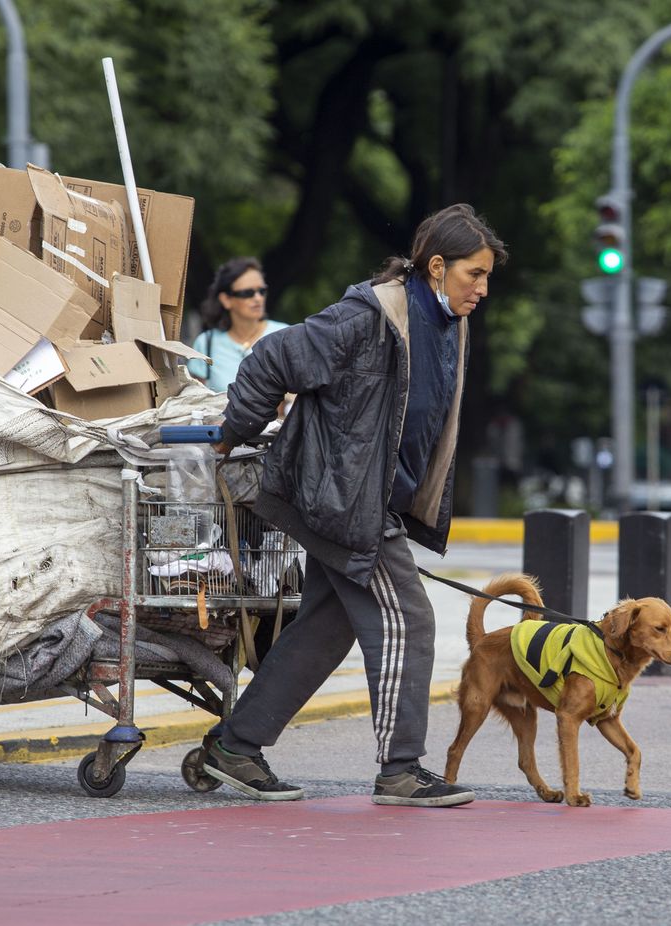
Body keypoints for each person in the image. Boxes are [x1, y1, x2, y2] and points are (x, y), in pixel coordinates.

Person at [202, 203, 507, 808]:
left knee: (324, 626)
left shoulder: (448, 322)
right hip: (341, 502)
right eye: (475, 274)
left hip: (366, 501)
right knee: (408, 620)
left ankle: (234, 747)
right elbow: (273, 357)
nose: (483, 288)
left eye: (488, 276)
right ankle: (400, 769)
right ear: (437, 267)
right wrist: (234, 430)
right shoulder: (367, 317)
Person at [187, 257, 288, 392]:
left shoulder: (284, 335)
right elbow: (197, 399)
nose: (258, 298)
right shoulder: (206, 343)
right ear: (226, 300)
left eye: (262, 291)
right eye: (248, 293)